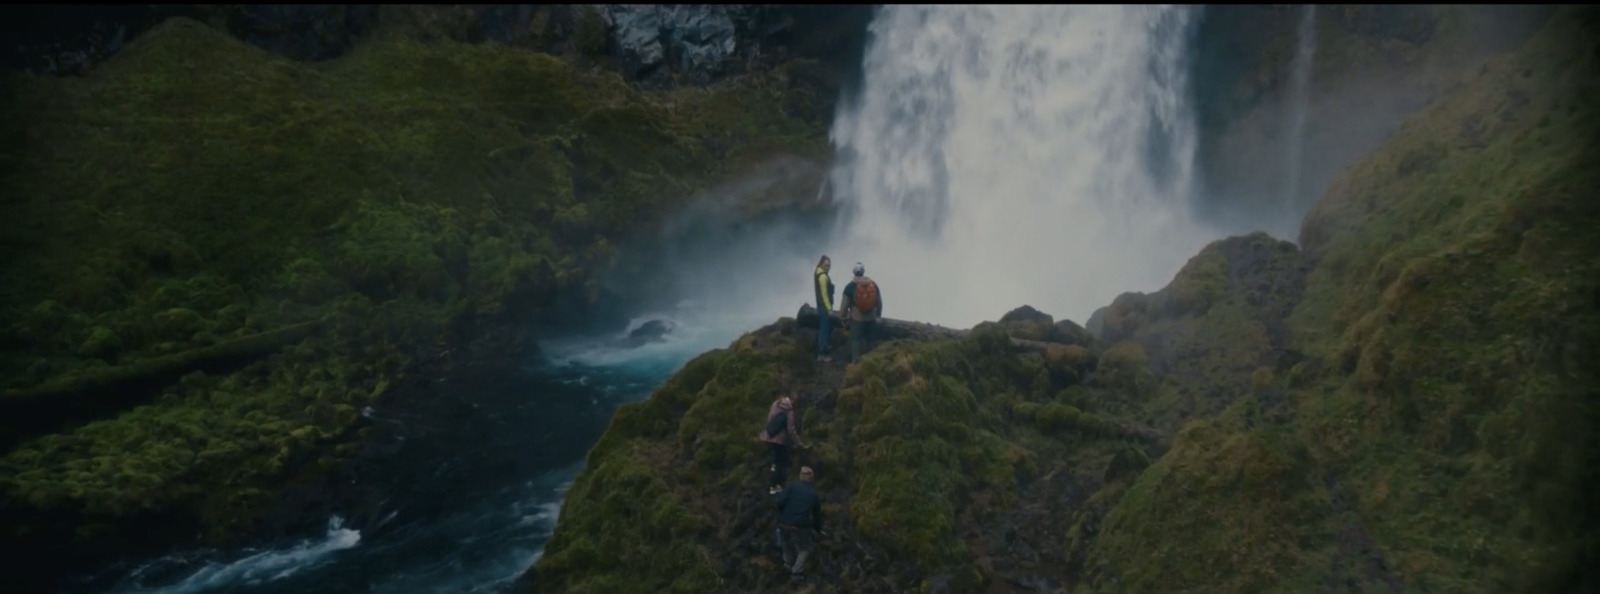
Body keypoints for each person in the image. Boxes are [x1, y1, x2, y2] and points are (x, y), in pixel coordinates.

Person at [774, 466, 825, 586]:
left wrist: (783, 514)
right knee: (804, 548)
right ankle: (796, 572)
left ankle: (787, 565)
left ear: (800, 476)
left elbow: (779, 502)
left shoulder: (791, 486)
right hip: (800, 526)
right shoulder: (813, 494)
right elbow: (817, 515)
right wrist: (818, 529)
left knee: (786, 543)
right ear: (811, 479)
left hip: (784, 523)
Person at [759, 394, 808, 495]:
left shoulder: (776, 403)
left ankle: (772, 471)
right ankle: (774, 486)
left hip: (769, 436)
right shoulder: (789, 410)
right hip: (779, 440)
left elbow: (770, 419)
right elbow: (791, 429)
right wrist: (799, 443)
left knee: (775, 460)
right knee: (781, 463)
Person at [839, 262, 883, 363]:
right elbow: (879, 302)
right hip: (871, 317)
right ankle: (872, 362)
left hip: (857, 318)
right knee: (871, 340)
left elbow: (844, 305)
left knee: (856, 341)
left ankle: (855, 363)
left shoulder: (850, 287)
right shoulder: (873, 284)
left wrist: (842, 318)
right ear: (863, 272)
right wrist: (878, 315)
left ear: (854, 272)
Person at [813, 255, 836, 362]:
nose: (828, 267)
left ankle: (824, 347)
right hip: (824, 308)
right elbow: (824, 294)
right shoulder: (822, 277)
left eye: (829, 265)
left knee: (827, 327)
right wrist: (829, 309)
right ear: (821, 264)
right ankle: (821, 354)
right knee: (824, 329)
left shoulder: (818, 273)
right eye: (826, 265)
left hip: (821, 307)